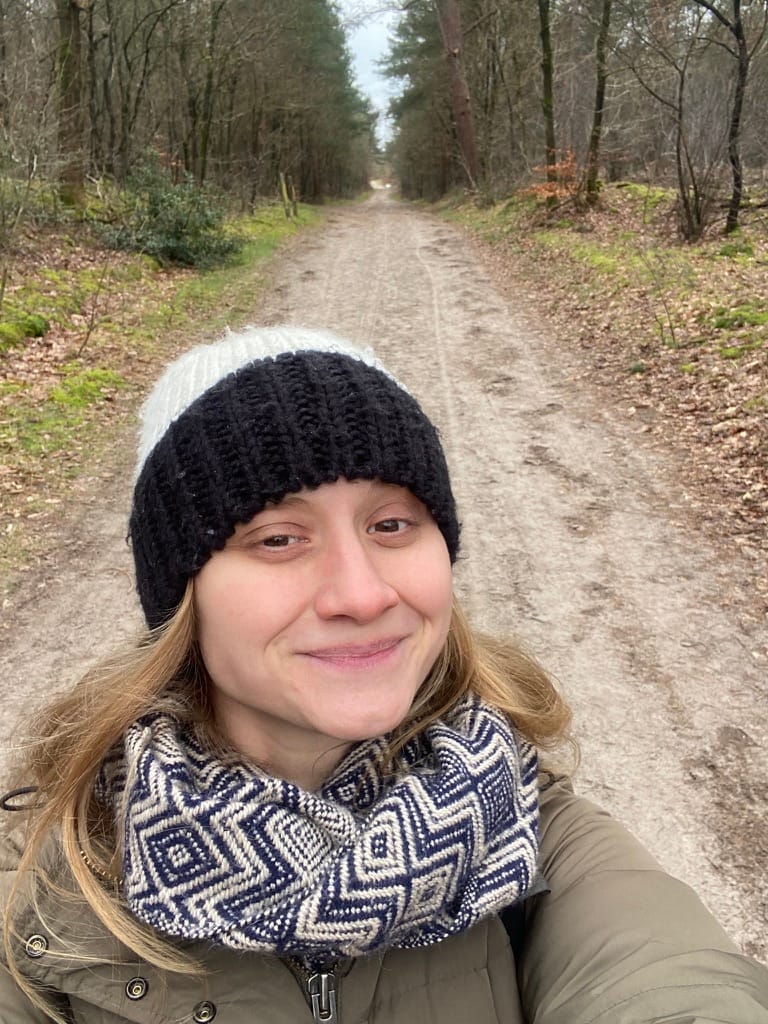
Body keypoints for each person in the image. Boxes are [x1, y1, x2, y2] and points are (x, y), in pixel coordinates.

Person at [1, 325, 766, 1024]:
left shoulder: (527, 829)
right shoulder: (48, 886)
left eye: (392, 524)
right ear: (181, 593)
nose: (364, 594)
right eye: (277, 538)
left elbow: (667, 979)